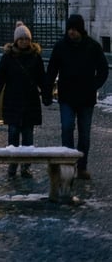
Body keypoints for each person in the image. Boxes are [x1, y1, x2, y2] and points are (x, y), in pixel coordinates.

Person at [45, 14, 109, 180]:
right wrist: (47, 91)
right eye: (69, 29)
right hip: (66, 96)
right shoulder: (60, 47)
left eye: (74, 29)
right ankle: (68, 166)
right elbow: (52, 70)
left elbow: (103, 69)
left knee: (84, 134)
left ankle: (82, 167)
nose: (71, 32)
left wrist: (94, 85)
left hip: (86, 98)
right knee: (67, 129)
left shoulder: (92, 46)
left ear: (80, 29)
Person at [0, 22, 49, 177]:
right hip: (12, 100)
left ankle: (26, 165)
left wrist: (47, 94)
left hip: (30, 100)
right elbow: (0, 79)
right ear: (16, 40)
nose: (24, 41)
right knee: (13, 133)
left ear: (30, 40)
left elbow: (42, 78)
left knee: (28, 135)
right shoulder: (8, 57)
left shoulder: (35, 57)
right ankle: (13, 163)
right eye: (21, 39)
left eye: (26, 39)